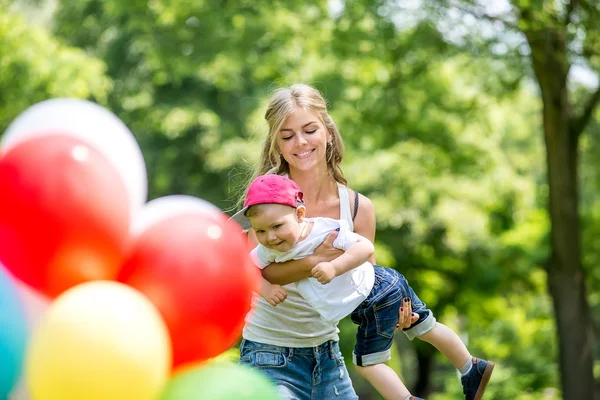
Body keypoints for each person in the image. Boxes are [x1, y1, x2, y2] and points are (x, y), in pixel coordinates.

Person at [235, 173, 494, 400]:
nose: (270, 237)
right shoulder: (268, 249)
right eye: (261, 231)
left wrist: (334, 267)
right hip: (386, 283)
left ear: (300, 214)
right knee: (426, 326)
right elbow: (247, 268)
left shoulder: (326, 230)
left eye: (277, 227)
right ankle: (471, 367)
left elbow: (366, 247)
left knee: (368, 364)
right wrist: (266, 288)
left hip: (373, 294)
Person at [233, 83, 418, 400]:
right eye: (287, 136)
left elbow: (365, 284)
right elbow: (250, 273)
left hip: (327, 355)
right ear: (276, 145)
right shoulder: (265, 205)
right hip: (269, 351)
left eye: (309, 130)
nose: (300, 142)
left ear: (328, 132)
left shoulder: (358, 208)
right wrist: (315, 262)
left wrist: (394, 308)